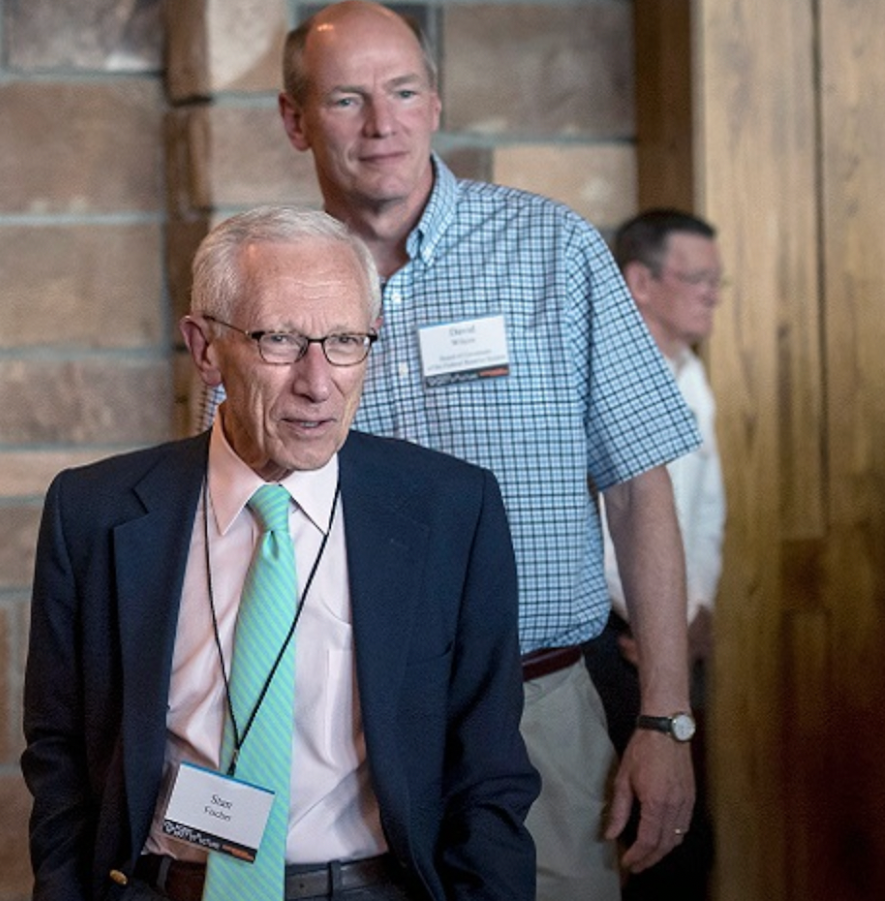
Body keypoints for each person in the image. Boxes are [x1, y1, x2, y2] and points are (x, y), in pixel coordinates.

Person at [167, 5, 702, 899]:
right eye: (347, 99)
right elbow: (229, 517)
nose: (383, 124)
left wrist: (666, 718)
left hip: (537, 708)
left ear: (437, 101)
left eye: (404, 92)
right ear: (295, 119)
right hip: (331, 717)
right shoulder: (262, 279)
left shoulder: (554, 249)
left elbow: (640, 488)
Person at [23, 205, 538, 901]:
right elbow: (57, 752)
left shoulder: (451, 510)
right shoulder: (94, 512)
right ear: (206, 349)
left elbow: (488, 770)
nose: (318, 382)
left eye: (346, 340)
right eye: (281, 340)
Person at [584, 209, 725, 900]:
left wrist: (696, 609)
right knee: (637, 832)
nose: (712, 295)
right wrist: (653, 615)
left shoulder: (691, 371)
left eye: (717, 280)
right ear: (639, 281)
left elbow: (707, 512)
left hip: (673, 630)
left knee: (686, 827)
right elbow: (609, 519)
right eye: (697, 279)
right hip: (617, 637)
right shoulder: (611, 370)